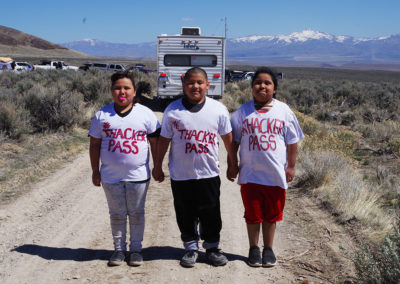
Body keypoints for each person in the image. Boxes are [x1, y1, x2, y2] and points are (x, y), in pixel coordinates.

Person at [152, 67, 238, 268]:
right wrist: (157, 166)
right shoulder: (172, 110)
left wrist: (233, 164)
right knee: (185, 212)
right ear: (183, 85)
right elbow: (164, 140)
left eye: (200, 82)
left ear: (208, 85)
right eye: (190, 83)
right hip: (181, 174)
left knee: (211, 211)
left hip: (208, 172)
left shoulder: (218, 109)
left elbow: (228, 140)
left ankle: (212, 247)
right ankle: (190, 247)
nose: (195, 86)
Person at [230, 67, 304, 268]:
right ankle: (253, 248)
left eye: (267, 83)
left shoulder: (284, 111)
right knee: (253, 214)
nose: (262, 86)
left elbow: (292, 141)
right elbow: (233, 141)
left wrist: (291, 167)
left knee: (272, 214)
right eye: (257, 82)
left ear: (274, 88)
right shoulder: (242, 112)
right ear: (252, 87)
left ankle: (268, 248)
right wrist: (232, 164)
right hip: (250, 173)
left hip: (275, 174)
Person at [89, 71, 160, 267]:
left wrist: (157, 166)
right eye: (117, 88)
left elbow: (155, 142)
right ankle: (119, 250)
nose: (122, 92)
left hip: (138, 176)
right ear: (111, 91)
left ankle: (136, 250)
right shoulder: (102, 115)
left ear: (134, 91)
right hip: (110, 177)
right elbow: (94, 145)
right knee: (117, 214)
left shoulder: (145, 114)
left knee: (137, 213)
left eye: (127, 88)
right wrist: (95, 171)